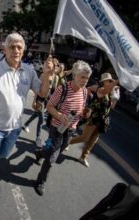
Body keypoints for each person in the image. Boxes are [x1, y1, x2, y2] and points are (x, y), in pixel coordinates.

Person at [0, 33, 48, 197]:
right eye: (12, 47)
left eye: (19, 47)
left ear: (23, 50)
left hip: (15, 128)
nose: (16, 50)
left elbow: (42, 93)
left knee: (3, 155)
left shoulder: (29, 70)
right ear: (5, 49)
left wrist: (47, 75)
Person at [34, 60, 92, 196]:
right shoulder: (63, 89)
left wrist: (85, 113)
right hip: (57, 128)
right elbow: (49, 106)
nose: (85, 80)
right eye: (82, 77)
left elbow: (81, 108)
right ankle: (40, 181)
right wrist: (60, 116)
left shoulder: (84, 92)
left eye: (87, 78)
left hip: (71, 129)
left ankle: (40, 152)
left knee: (54, 151)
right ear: (75, 75)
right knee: (52, 157)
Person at [70, 73, 119, 167]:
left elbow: (112, 106)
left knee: (93, 141)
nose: (110, 83)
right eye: (109, 81)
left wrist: (116, 96)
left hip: (102, 121)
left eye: (111, 81)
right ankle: (66, 142)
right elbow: (90, 89)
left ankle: (83, 157)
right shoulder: (101, 89)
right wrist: (90, 98)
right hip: (94, 118)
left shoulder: (110, 93)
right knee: (85, 137)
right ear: (104, 82)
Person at [22, 55, 56, 148]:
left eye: (50, 65)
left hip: (46, 100)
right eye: (46, 64)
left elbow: (59, 70)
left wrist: (51, 59)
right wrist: (34, 101)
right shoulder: (42, 75)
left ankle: (25, 124)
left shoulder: (53, 75)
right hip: (39, 99)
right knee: (41, 120)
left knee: (36, 114)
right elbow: (37, 89)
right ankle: (38, 138)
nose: (47, 66)